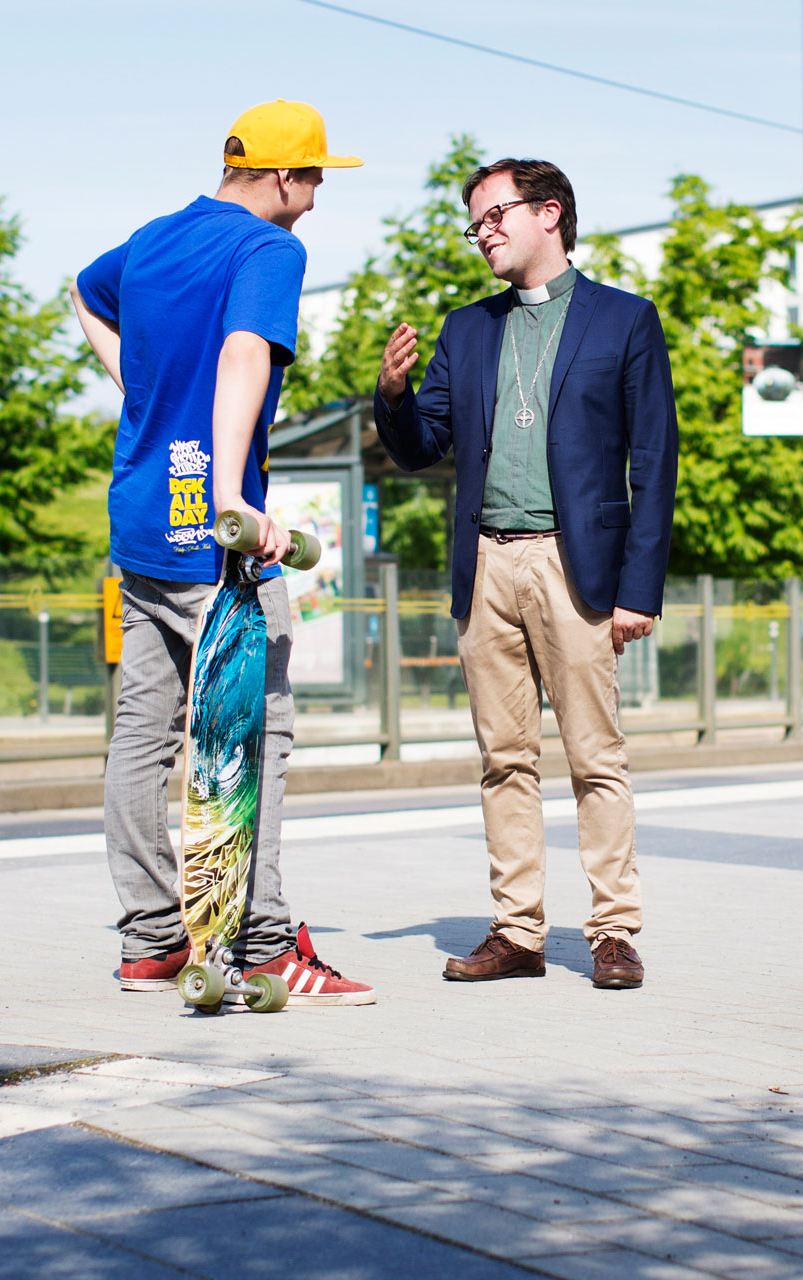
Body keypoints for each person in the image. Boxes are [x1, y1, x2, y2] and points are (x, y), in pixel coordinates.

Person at [71, 100, 373, 1006]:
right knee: (253, 730)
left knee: (142, 734)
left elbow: (85, 291)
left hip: (140, 520)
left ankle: (152, 940)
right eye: (314, 177)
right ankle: (264, 944)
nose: (317, 197)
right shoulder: (269, 250)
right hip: (214, 535)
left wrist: (139, 389)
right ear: (282, 175)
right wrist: (235, 493)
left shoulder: (156, 238)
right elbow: (245, 352)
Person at [374, 158, 679, 990]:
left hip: (574, 567)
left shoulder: (624, 321)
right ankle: (517, 934)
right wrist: (393, 395)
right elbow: (419, 447)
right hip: (486, 564)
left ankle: (612, 930)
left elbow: (654, 462)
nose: (485, 233)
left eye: (496, 216)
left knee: (594, 757)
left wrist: (637, 591)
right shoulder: (467, 330)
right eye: (476, 223)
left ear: (550, 213)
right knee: (503, 758)